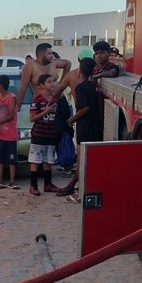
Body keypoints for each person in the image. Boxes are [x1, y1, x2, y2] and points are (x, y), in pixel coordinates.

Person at [59, 58, 102, 200]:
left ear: (79, 72)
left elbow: (85, 108)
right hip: (94, 126)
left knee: (82, 161)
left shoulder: (81, 87)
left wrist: (71, 120)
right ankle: (73, 186)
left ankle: (76, 189)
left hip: (85, 127)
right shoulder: (92, 86)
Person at [28, 74, 61, 196]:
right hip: (39, 135)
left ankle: (48, 184)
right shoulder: (37, 100)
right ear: (42, 85)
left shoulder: (54, 99)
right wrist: (46, 111)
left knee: (49, 160)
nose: (52, 84)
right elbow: (32, 118)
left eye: (53, 81)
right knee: (35, 160)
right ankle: (33, 185)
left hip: (51, 134)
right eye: (49, 82)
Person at [16, 42, 71, 111]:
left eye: (52, 53)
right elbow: (23, 87)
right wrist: (18, 105)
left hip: (58, 101)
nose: (52, 55)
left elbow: (68, 64)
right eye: (49, 53)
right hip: (41, 103)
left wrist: (61, 85)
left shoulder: (53, 63)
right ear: (41, 54)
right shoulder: (30, 66)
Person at [0, 74, 19, 189]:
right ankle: (0, 180)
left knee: (12, 158)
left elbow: (10, 115)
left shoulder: (11, 97)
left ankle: (12, 181)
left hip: (10, 132)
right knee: (0, 158)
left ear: (0, 85)